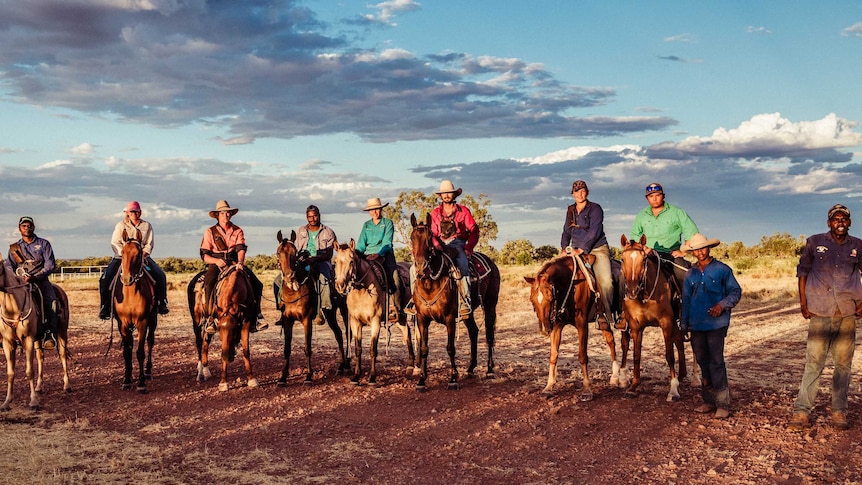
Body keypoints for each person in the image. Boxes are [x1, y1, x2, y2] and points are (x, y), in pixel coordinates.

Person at [788, 204, 862, 431]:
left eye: (844, 219)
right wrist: (803, 302)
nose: (840, 222)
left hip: (846, 313)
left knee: (843, 365)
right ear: (829, 222)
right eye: (836, 219)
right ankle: (802, 412)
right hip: (820, 311)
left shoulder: (858, 246)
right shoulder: (814, 242)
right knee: (814, 363)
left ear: (849, 222)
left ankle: (839, 412)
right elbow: (803, 272)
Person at [679, 233, 742, 420]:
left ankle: (723, 404)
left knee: (716, 362)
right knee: (702, 362)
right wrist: (684, 323)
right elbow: (686, 299)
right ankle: (708, 400)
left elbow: (736, 291)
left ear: (709, 248)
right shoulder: (690, 273)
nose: (699, 252)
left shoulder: (722, 270)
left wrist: (721, 305)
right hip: (696, 324)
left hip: (716, 324)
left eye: (702, 248)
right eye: (696, 249)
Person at [627, 182, 699, 329]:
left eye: (657, 195)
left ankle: (686, 316)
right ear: (647, 198)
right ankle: (625, 315)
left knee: (686, 275)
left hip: (670, 255)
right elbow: (634, 238)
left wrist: (683, 251)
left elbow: (692, 233)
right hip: (648, 255)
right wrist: (643, 248)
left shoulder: (677, 212)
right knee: (627, 275)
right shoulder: (641, 216)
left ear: (663, 196)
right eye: (651, 196)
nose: (654, 199)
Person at [200, 200, 267, 333]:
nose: (226, 215)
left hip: (234, 261)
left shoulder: (238, 230)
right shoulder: (210, 232)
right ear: (218, 215)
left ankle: (256, 316)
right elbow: (204, 255)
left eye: (228, 213)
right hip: (217, 262)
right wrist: (216, 261)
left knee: (257, 284)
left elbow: (241, 248)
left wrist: (240, 262)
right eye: (223, 213)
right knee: (209, 283)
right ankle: (210, 318)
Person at [99, 201, 169, 320]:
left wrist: (141, 254)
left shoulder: (146, 226)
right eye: (131, 212)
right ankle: (105, 306)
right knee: (105, 278)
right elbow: (115, 243)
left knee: (160, 275)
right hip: (121, 257)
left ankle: (161, 302)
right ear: (127, 213)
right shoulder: (120, 226)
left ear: (140, 212)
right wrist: (126, 254)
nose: (134, 214)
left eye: (136, 211)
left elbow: (149, 243)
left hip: (142, 257)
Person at [561, 180, 613, 331]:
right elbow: (566, 231)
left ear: (587, 192)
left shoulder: (595, 209)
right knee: (557, 275)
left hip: (597, 249)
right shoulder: (570, 210)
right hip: (575, 249)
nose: (580, 194)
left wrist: (582, 249)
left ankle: (606, 315)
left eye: (583, 191)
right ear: (573, 194)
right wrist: (564, 248)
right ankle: (561, 311)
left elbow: (594, 231)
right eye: (577, 191)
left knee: (606, 282)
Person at [277, 205, 338, 326]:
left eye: (315, 216)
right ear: (307, 217)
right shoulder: (301, 231)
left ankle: (322, 308)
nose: (312, 219)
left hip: (321, 262)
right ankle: (282, 308)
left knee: (323, 280)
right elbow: (297, 248)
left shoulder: (328, 232)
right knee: (278, 280)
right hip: (303, 261)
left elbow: (329, 253)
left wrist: (315, 258)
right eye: (310, 216)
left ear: (319, 215)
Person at [430, 180, 479, 321]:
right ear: (441, 196)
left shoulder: (463, 211)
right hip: (439, 245)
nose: (446, 195)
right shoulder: (435, 213)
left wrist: (469, 247)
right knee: (420, 268)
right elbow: (432, 233)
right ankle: (416, 301)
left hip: (457, 243)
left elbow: (474, 230)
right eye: (444, 193)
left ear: (453, 194)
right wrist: (436, 244)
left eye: (449, 193)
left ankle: (465, 301)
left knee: (462, 264)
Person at [8, 216, 59, 349]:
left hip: (40, 281)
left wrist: (35, 277)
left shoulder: (44, 244)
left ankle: (50, 334)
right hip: (21, 283)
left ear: (34, 227)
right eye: (24, 226)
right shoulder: (14, 248)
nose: (27, 228)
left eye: (29, 225)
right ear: (19, 228)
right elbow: (9, 266)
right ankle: (7, 333)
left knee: (52, 302)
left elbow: (50, 265)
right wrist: (16, 278)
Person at [355, 197, 397, 294]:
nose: (374, 212)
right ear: (369, 212)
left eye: (376, 209)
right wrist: (356, 254)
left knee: (395, 278)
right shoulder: (366, 225)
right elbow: (361, 243)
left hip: (385, 254)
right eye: (371, 210)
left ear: (381, 209)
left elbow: (387, 243)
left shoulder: (387, 223)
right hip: (368, 256)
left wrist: (378, 254)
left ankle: (395, 304)